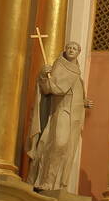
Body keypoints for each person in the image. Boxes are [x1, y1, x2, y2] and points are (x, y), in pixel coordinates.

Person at [28, 41, 91, 191]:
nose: (71, 50)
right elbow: (49, 88)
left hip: (74, 115)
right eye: (69, 47)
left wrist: (84, 102)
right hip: (62, 111)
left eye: (74, 48)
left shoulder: (78, 73)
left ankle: (57, 184)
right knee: (58, 143)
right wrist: (44, 75)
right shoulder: (58, 66)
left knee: (67, 150)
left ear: (79, 52)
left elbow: (74, 93)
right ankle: (47, 180)